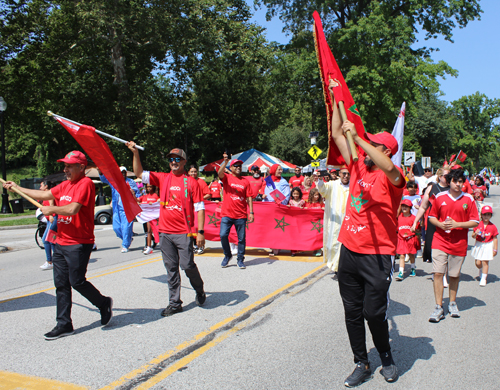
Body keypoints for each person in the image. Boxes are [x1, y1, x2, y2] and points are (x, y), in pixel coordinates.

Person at [330, 85, 405, 385]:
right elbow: (337, 134)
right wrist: (337, 101)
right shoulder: (358, 165)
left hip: (377, 256)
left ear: (386, 150)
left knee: (373, 313)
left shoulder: (394, 177)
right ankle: (361, 362)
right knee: (351, 312)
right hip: (350, 250)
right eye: (367, 142)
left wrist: (359, 137)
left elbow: (389, 167)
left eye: (374, 144)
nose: (365, 147)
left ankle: (386, 357)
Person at [4, 151, 113, 339]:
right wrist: (18, 188)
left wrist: (52, 208)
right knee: (61, 284)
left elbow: (73, 209)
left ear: (82, 167)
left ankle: (103, 303)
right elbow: (44, 193)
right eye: (65, 165)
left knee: (77, 281)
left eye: (69, 166)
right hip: (61, 241)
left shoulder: (85, 184)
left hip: (79, 242)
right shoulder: (65, 185)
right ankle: (64, 324)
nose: (65, 169)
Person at [127, 143, 207, 317]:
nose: (174, 162)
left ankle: (199, 290)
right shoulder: (162, 178)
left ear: (184, 162)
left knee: (187, 265)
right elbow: (139, 173)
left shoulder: (192, 183)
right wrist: (135, 153)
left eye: (177, 159)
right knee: (171, 269)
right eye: (171, 159)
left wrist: (200, 232)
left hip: (184, 233)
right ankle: (175, 303)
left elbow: (200, 208)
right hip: (165, 232)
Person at [427, 169, 479, 322]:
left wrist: (457, 224)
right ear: (449, 182)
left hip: (459, 242)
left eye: (461, 181)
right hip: (440, 240)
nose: (458, 184)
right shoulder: (439, 197)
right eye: (455, 181)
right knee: (437, 273)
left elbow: (475, 221)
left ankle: (452, 303)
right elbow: (431, 217)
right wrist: (441, 225)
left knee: (454, 275)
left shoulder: (468, 199)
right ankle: (438, 307)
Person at [218, 154, 254, 269]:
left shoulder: (246, 181)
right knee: (223, 235)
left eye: (240, 166)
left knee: (241, 238)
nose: (239, 167)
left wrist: (251, 212)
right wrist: (225, 162)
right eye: (236, 166)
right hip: (227, 214)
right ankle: (227, 255)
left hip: (241, 215)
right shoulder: (227, 178)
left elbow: (249, 198)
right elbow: (219, 173)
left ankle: (240, 259)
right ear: (232, 168)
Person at [411, 168, 450, 264]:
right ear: (440, 177)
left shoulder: (453, 189)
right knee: (432, 246)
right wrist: (415, 221)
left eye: (450, 176)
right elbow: (423, 207)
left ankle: (444, 270)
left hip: (449, 221)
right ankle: (437, 270)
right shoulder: (432, 188)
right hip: (434, 221)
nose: (448, 178)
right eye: (446, 176)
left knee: (448, 247)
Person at [98, 166, 141, 253]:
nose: (123, 174)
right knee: (116, 228)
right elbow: (103, 179)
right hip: (117, 208)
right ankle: (128, 239)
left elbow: (137, 194)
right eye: (121, 173)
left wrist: (134, 197)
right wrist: (100, 171)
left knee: (126, 227)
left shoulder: (130, 182)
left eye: (124, 173)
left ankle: (125, 245)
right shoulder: (113, 182)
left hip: (127, 208)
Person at [318, 165, 350, 272]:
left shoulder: (354, 186)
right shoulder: (332, 185)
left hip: (349, 221)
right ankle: (334, 264)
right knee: (332, 245)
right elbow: (322, 190)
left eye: (348, 174)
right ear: (339, 174)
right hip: (334, 222)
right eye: (344, 173)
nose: (346, 176)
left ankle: (340, 268)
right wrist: (320, 179)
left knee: (346, 246)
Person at [471, 205, 498, 287]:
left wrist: (495, 249)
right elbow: (473, 236)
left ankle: (483, 278)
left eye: (488, 214)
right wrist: (475, 234)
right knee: (478, 263)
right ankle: (481, 269)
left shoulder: (493, 226)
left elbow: (495, 238)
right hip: (479, 244)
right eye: (484, 214)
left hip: (488, 245)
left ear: (491, 216)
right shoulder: (478, 225)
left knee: (485, 262)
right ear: (481, 215)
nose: (486, 216)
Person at [395, 199, 420, 281]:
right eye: (403, 206)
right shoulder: (399, 217)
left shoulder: (413, 218)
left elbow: (418, 229)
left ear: (410, 208)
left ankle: (412, 268)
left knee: (411, 254)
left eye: (406, 206)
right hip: (401, 239)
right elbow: (396, 228)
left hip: (410, 238)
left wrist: (415, 230)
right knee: (402, 255)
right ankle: (401, 272)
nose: (404, 208)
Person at [39, 180, 58, 270]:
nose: (40, 187)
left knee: (49, 240)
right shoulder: (44, 195)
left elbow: (51, 206)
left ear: (46, 186)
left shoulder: (50, 194)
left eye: (41, 185)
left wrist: (50, 215)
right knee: (48, 240)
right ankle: (54, 260)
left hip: (53, 219)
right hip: (49, 220)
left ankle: (52, 261)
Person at [137, 184, 160, 255]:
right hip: (148, 218)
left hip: (156, 218)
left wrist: (155, 202)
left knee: (159, 231)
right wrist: (133, 194)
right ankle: (149, 247)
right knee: (149, 231)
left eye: (150, 186)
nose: (149, 188)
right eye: (147, 187)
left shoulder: (156, 195)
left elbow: (160, 201)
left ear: (153, 187)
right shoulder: (144, 196)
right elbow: (137, 200)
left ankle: (163, 245)